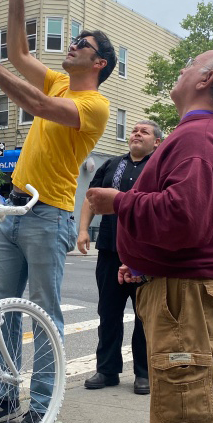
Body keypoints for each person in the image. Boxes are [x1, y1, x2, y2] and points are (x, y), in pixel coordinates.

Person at [0, 0, 115, 423]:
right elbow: (20, 53)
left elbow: (38, 106)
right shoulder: (60, 81)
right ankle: (4, 396)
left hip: (50, 215)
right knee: (3, 308)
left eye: (82, 44)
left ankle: (41, 407)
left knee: (44, 314)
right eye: (74, 41)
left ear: (100, 63)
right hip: (14, 210)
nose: (72, 46)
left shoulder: (95, 106)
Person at [87, 49, 213, 423]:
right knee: (188, 401)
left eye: (191, 63)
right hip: (181, 286)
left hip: (185, 295)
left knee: (192, 407)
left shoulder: (198, 136)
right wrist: (146, 263)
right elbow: (193, 222)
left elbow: (185, 219)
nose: (182, 68)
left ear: (206, 79)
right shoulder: (203, 133)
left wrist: (119, 201)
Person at [77, 120, 162, 395]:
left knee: (144, 315)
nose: (136, 134)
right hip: (110, 250)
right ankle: (107, 370)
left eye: (144, 132)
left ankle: (144, 373)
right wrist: (83, 231)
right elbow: (91, 198)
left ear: (157, 142)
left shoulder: (160, 166)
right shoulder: (111, 165)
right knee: (108, 312)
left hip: (145, 254)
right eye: (134, 130)